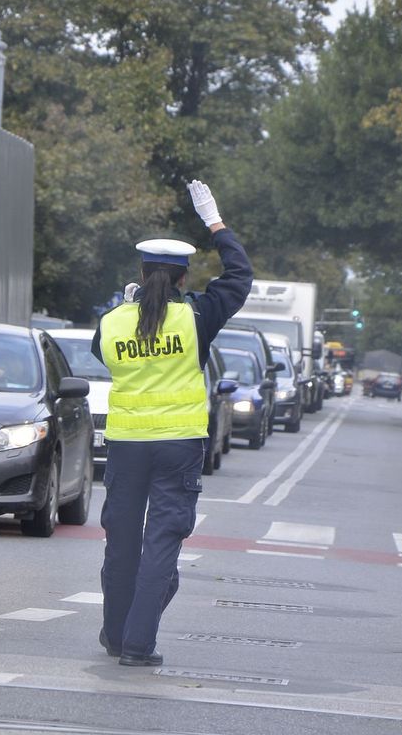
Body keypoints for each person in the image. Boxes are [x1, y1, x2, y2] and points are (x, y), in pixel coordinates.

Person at [90, 179, 251, 667]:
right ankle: (137, 644)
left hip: (126, 445)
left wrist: (124, 304)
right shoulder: (198, 315)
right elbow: (240, 276)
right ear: (183, 278)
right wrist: (215, 222)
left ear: (140, 274)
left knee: (121, 543)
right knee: (162, 541)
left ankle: (116, 636)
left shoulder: (114, 321)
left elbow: (101, 352)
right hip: (179, 445)